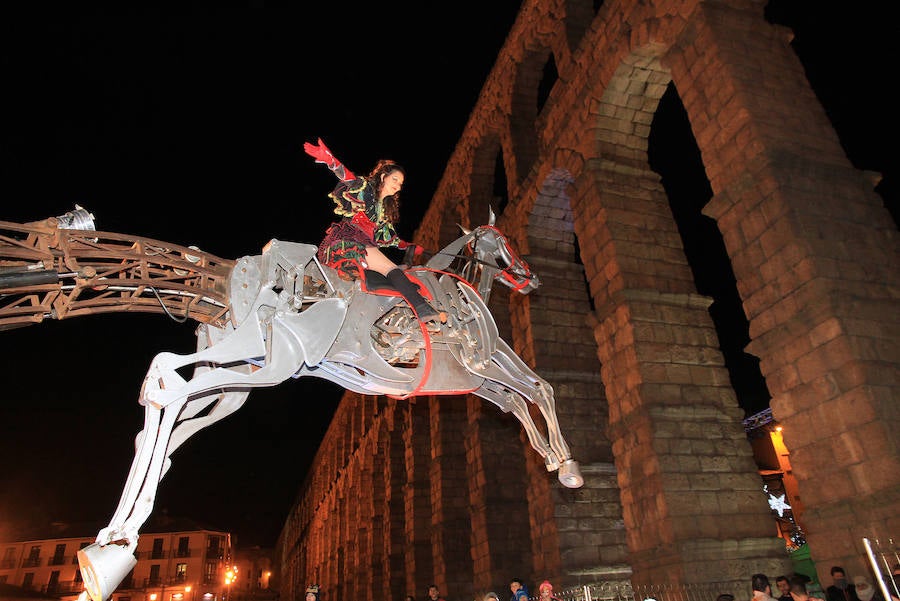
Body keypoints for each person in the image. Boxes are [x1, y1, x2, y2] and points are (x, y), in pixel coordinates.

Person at [303, 137, 446, 325]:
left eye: (401, 183)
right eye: (395, 179)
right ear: (382, 176)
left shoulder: (383, 212)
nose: (398, 185)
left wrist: (414, 247)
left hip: (362, 243)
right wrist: (331, 161)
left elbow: (391, 239)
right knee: (392, 269)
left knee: (389, 275)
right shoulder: (367, 191)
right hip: (352, 240)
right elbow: (350, 179)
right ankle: (422, 309)